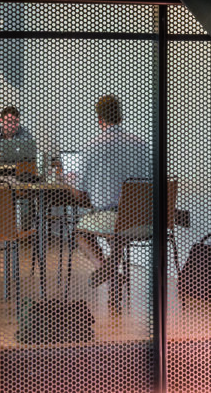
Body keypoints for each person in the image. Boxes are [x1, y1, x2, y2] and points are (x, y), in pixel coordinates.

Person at [60, 95, 151, 293]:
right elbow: (149, 184)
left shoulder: (91, 147)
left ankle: (108, 274)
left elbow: (82, 197)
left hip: (114, 219)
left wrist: (67, 182)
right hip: (144, 220)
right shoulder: (141, 144)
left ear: (100, 119)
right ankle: (112, 275)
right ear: (120, 117)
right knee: (117, 230)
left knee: (80, 232)